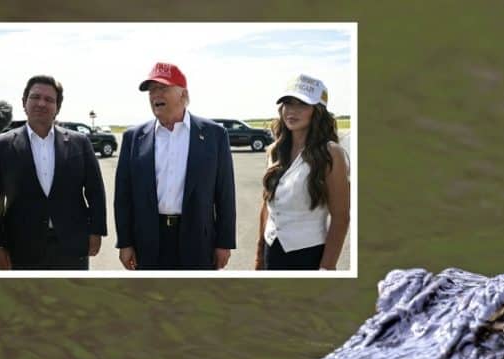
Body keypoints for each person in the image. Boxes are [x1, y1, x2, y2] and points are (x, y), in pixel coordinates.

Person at [114, 62, 235, 270]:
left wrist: (224, 243)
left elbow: (225, 194)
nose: (155, 95)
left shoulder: (214, 135)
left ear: (183, 94)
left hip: (198, 240)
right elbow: (123, 196)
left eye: (163, 88)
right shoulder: (134, 138)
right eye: (151, 90)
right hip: (149, 240)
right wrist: (125, 242)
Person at [0, 75, 106, 270]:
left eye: (49, 99)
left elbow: (95, 191)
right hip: (21, 246)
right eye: (35, 97)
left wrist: (96, 231)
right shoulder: (0, 147)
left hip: (72, 245)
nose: (41, 103)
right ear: (24, 102)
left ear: (57, 107)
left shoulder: (79, 143)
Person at [254, 74, 350, 270]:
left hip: (309, 256)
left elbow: (341, 217)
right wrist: (259, 255)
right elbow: (267, 206)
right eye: (288, 103)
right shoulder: (275, 150)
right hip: (271, 252)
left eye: (302, 105)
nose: (292, 111)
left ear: (318, 111)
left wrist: (326, 268)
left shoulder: (331, 153)